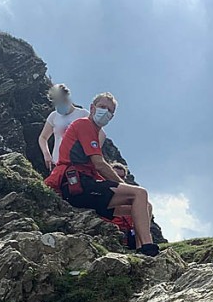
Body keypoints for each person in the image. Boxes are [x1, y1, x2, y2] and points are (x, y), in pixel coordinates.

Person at [45, 92, 158, 256]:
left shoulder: (92, 132)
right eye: (102, 107)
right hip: (76, 185)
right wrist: (123, 184)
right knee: (140, 193)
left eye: (110, 110)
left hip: (85, 188)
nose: (106, 112)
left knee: (145, 206)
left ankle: (140, 247)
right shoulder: (84, 125)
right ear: (92, 108)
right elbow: (99, 164)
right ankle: (148, 247)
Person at [37, 84, 91, 170]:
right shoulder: (54, 116)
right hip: (58, 164)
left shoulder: (83, 114)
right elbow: (43, 137)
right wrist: (47, 155)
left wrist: (90, 154)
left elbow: (100, 134)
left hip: (79, 164)